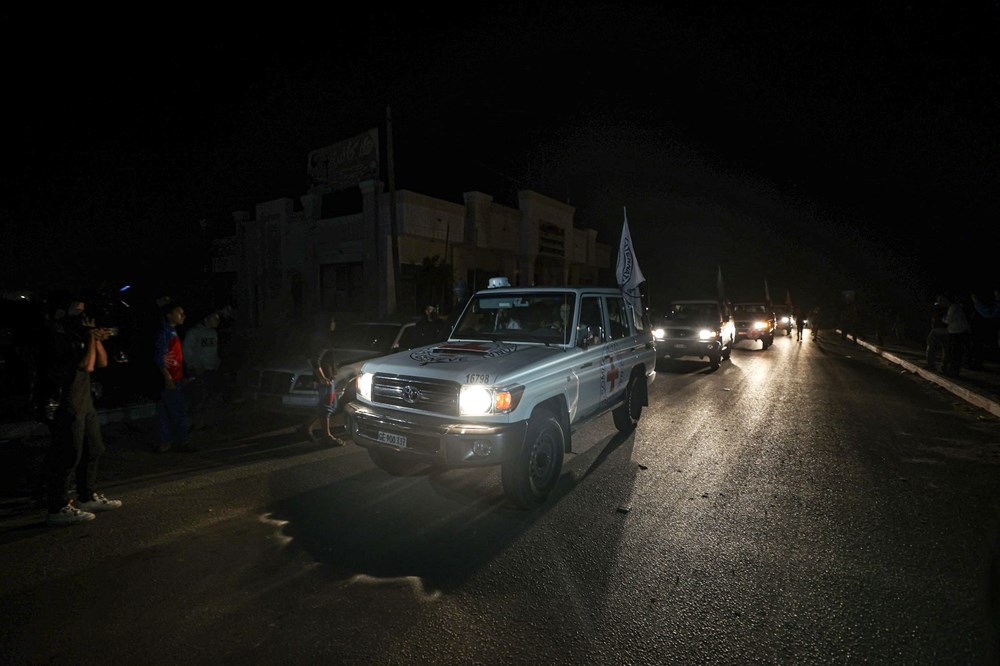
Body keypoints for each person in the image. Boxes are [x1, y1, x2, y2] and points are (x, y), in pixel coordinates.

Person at [42, 298, 122, 526]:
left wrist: (96, 340)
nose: (85, 319)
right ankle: (57, 508)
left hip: (84, 402)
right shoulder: (58, 338)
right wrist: (90, 337)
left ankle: (86, 497)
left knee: (94, 449)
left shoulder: (77, 336)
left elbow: (102, 363)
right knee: (69, 456)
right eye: (78, 313)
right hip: (67, 403)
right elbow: (86, 365)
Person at [154, 302, 191, 452]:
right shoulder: (165, 331)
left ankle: (165, 443)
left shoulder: (173, 331)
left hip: (175, 376)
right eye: (179, 312)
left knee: (164, 412)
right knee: (178, 410)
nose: (183, 316)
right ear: (169, 315)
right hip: (172, 378)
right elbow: (159, 355)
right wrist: (168, 377)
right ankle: (182, 441)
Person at [182, 310, 222, 430]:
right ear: (206, 319)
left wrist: (217, 361)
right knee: (198, 397)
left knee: (209, 396)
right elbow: (186, 351)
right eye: (214, 318)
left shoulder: (214, 333)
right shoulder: (194, 332)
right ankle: (189, 423)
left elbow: (213, 350)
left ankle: (202, 422)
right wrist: (194, 365)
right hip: (199, 370)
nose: (217, 321)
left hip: (211, 368)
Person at [306, 337, 345, 446]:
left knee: (331, 406)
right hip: (326, 380)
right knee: (327, 406)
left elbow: (311, 359)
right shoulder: (324, 339)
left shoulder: (320, 338)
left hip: (328, 378)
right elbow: (315, 361)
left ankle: (307, 427)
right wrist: (322, 378)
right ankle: (326, 436)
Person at [939, 294, 970, 377]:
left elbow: (948, 320)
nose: (940, 303)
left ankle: (953, 371)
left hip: (957, 332)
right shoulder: (954, 307)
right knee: (955, 352)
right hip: (957, 331)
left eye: (942, 300)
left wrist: (942, 318)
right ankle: (953, 370)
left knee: (955, 352)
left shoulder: (953, 307)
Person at [925, 298, 949, 371]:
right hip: (946, 330)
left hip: (937, 330)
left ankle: (931, 365)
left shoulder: (938, 309)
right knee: (945, 350)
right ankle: (944, 367)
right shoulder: (949, 308)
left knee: (931, 348)